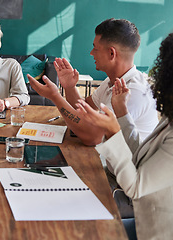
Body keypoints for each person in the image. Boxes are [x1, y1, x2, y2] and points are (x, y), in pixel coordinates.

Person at [74, 32, 173, 239]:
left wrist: (113, 130)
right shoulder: (169, 119)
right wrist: (121, 113)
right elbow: (139, 157)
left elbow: (135, 187)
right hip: (143, 219)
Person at [28, 18, 158, 146]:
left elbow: (93, 137)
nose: (91, 53)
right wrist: (69, 86)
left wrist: (55, 96)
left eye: (95, 48)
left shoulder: (134, 91)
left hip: (126, 165)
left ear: (111, 53)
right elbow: (84, 109)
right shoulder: (112, 80)